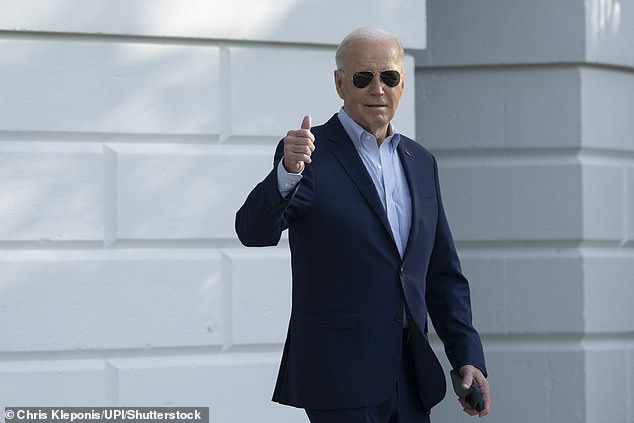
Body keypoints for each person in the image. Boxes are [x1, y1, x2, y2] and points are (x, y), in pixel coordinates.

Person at [235, 27, 490, 423]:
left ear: (402, 85)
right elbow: (252, 232)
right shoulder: (309, 154)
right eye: (362, 77)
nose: (377, 88)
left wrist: (466, 355)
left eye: (388, 77)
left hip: (410, 375)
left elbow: (442, 274)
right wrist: (287, 171)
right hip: (339, 375)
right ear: (340, 83)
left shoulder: (421, 162)